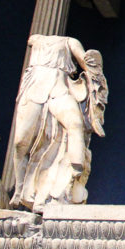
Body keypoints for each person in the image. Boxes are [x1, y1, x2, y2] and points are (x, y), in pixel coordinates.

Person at [10, 34, 107, 211]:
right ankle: (19, 188)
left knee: (75, 123)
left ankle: (74, 171)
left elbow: (87, 64)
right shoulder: (36, 39)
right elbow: (30, 39)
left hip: (59, 88)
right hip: (34, 87)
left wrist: (95, 79)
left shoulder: (70, 42)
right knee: (20, 142)